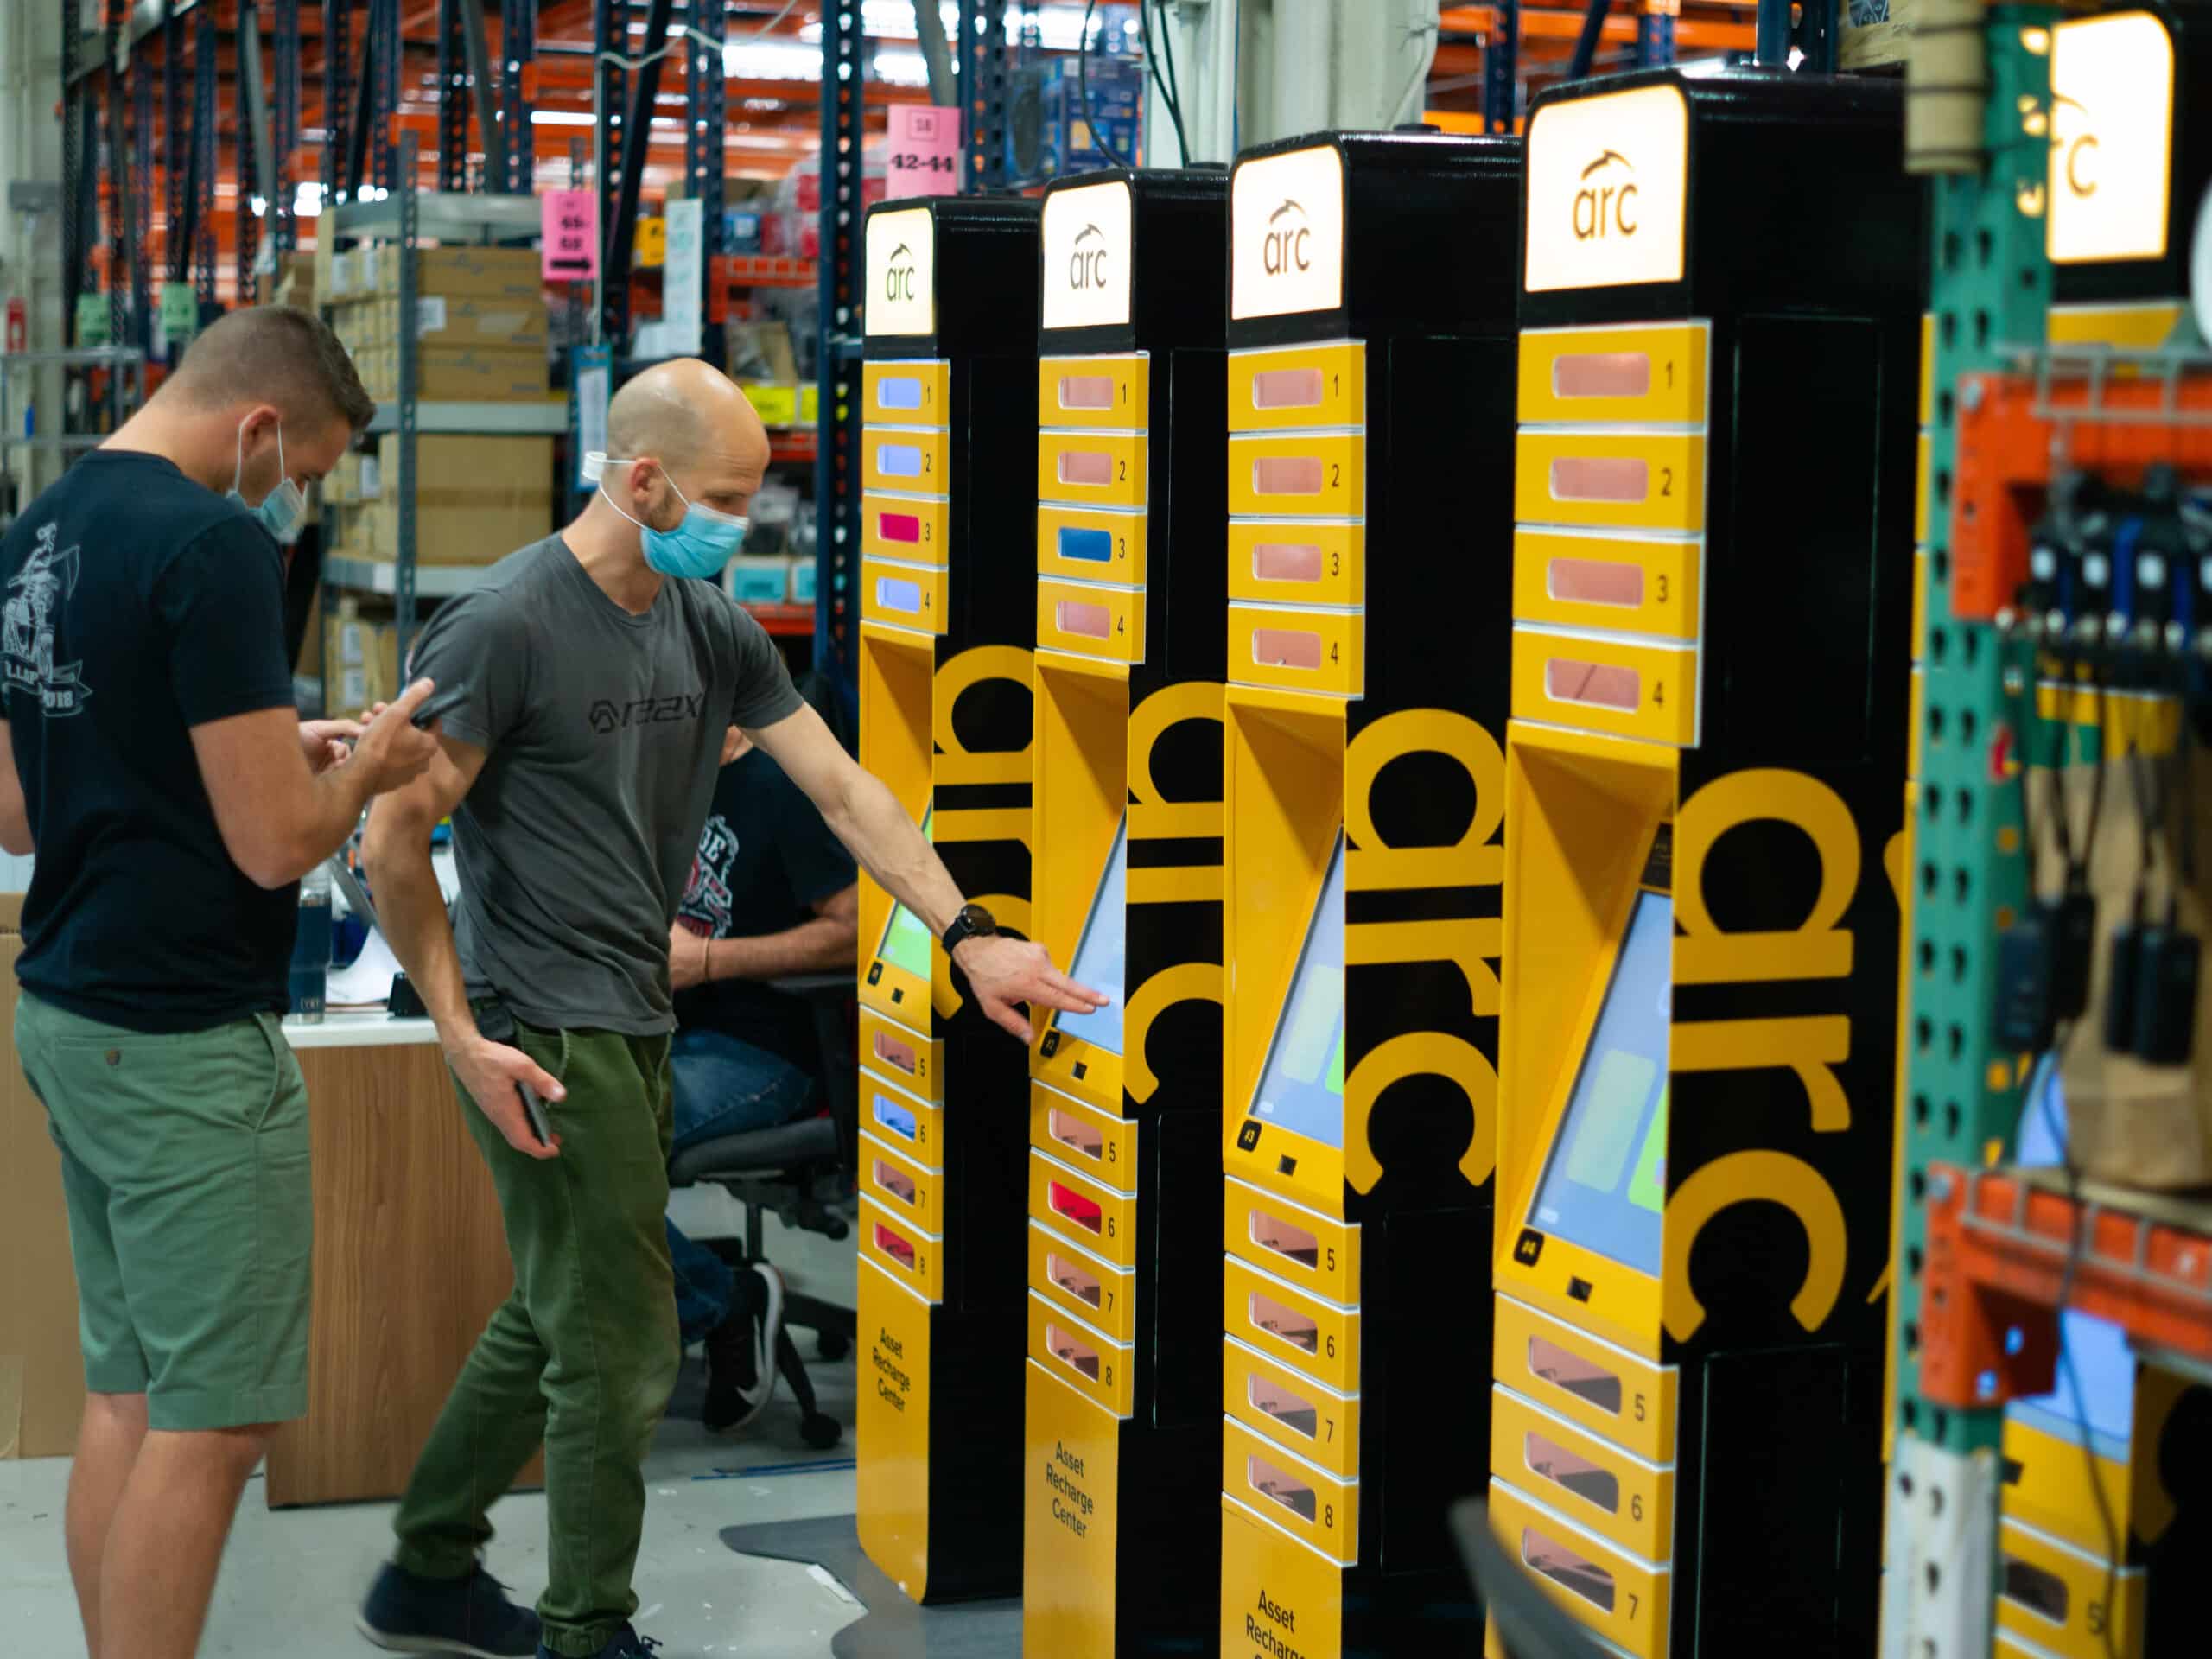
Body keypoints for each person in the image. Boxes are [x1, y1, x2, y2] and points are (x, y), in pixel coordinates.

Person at [355, 358, 1104, 1659]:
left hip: (636, 1016)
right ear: (642, 479)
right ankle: (590, 1633)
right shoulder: (505, 624)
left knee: (558, 1303)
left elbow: (849, 795)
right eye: (727, 499)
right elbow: (394, 835)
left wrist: (969, 935)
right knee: (625, 1343)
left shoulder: (707, 624)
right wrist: (459, 1028)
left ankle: (426, 1565)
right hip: (543, 1028)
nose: (742, 527)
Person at [0, 306, 444, 1659]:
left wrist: (269, 739)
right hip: (186, 1040)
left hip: (71, 1010)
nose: (293, 496)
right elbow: (277, 844)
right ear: (257, 429)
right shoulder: (212, 546)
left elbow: (21, 815)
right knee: (217, 1428)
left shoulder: (38, 530)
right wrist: (369, 759)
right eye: (302, 470)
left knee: (130, 1400)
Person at [664, 720, 860, 1433]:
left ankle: (723, 1302)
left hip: (764, 1051)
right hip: (675, 1033)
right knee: (558, 1128)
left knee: (594, 1145)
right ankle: (720, 1297)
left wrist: (711, 962)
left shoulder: (782, 788)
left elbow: (856, 926)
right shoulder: (670, 775)